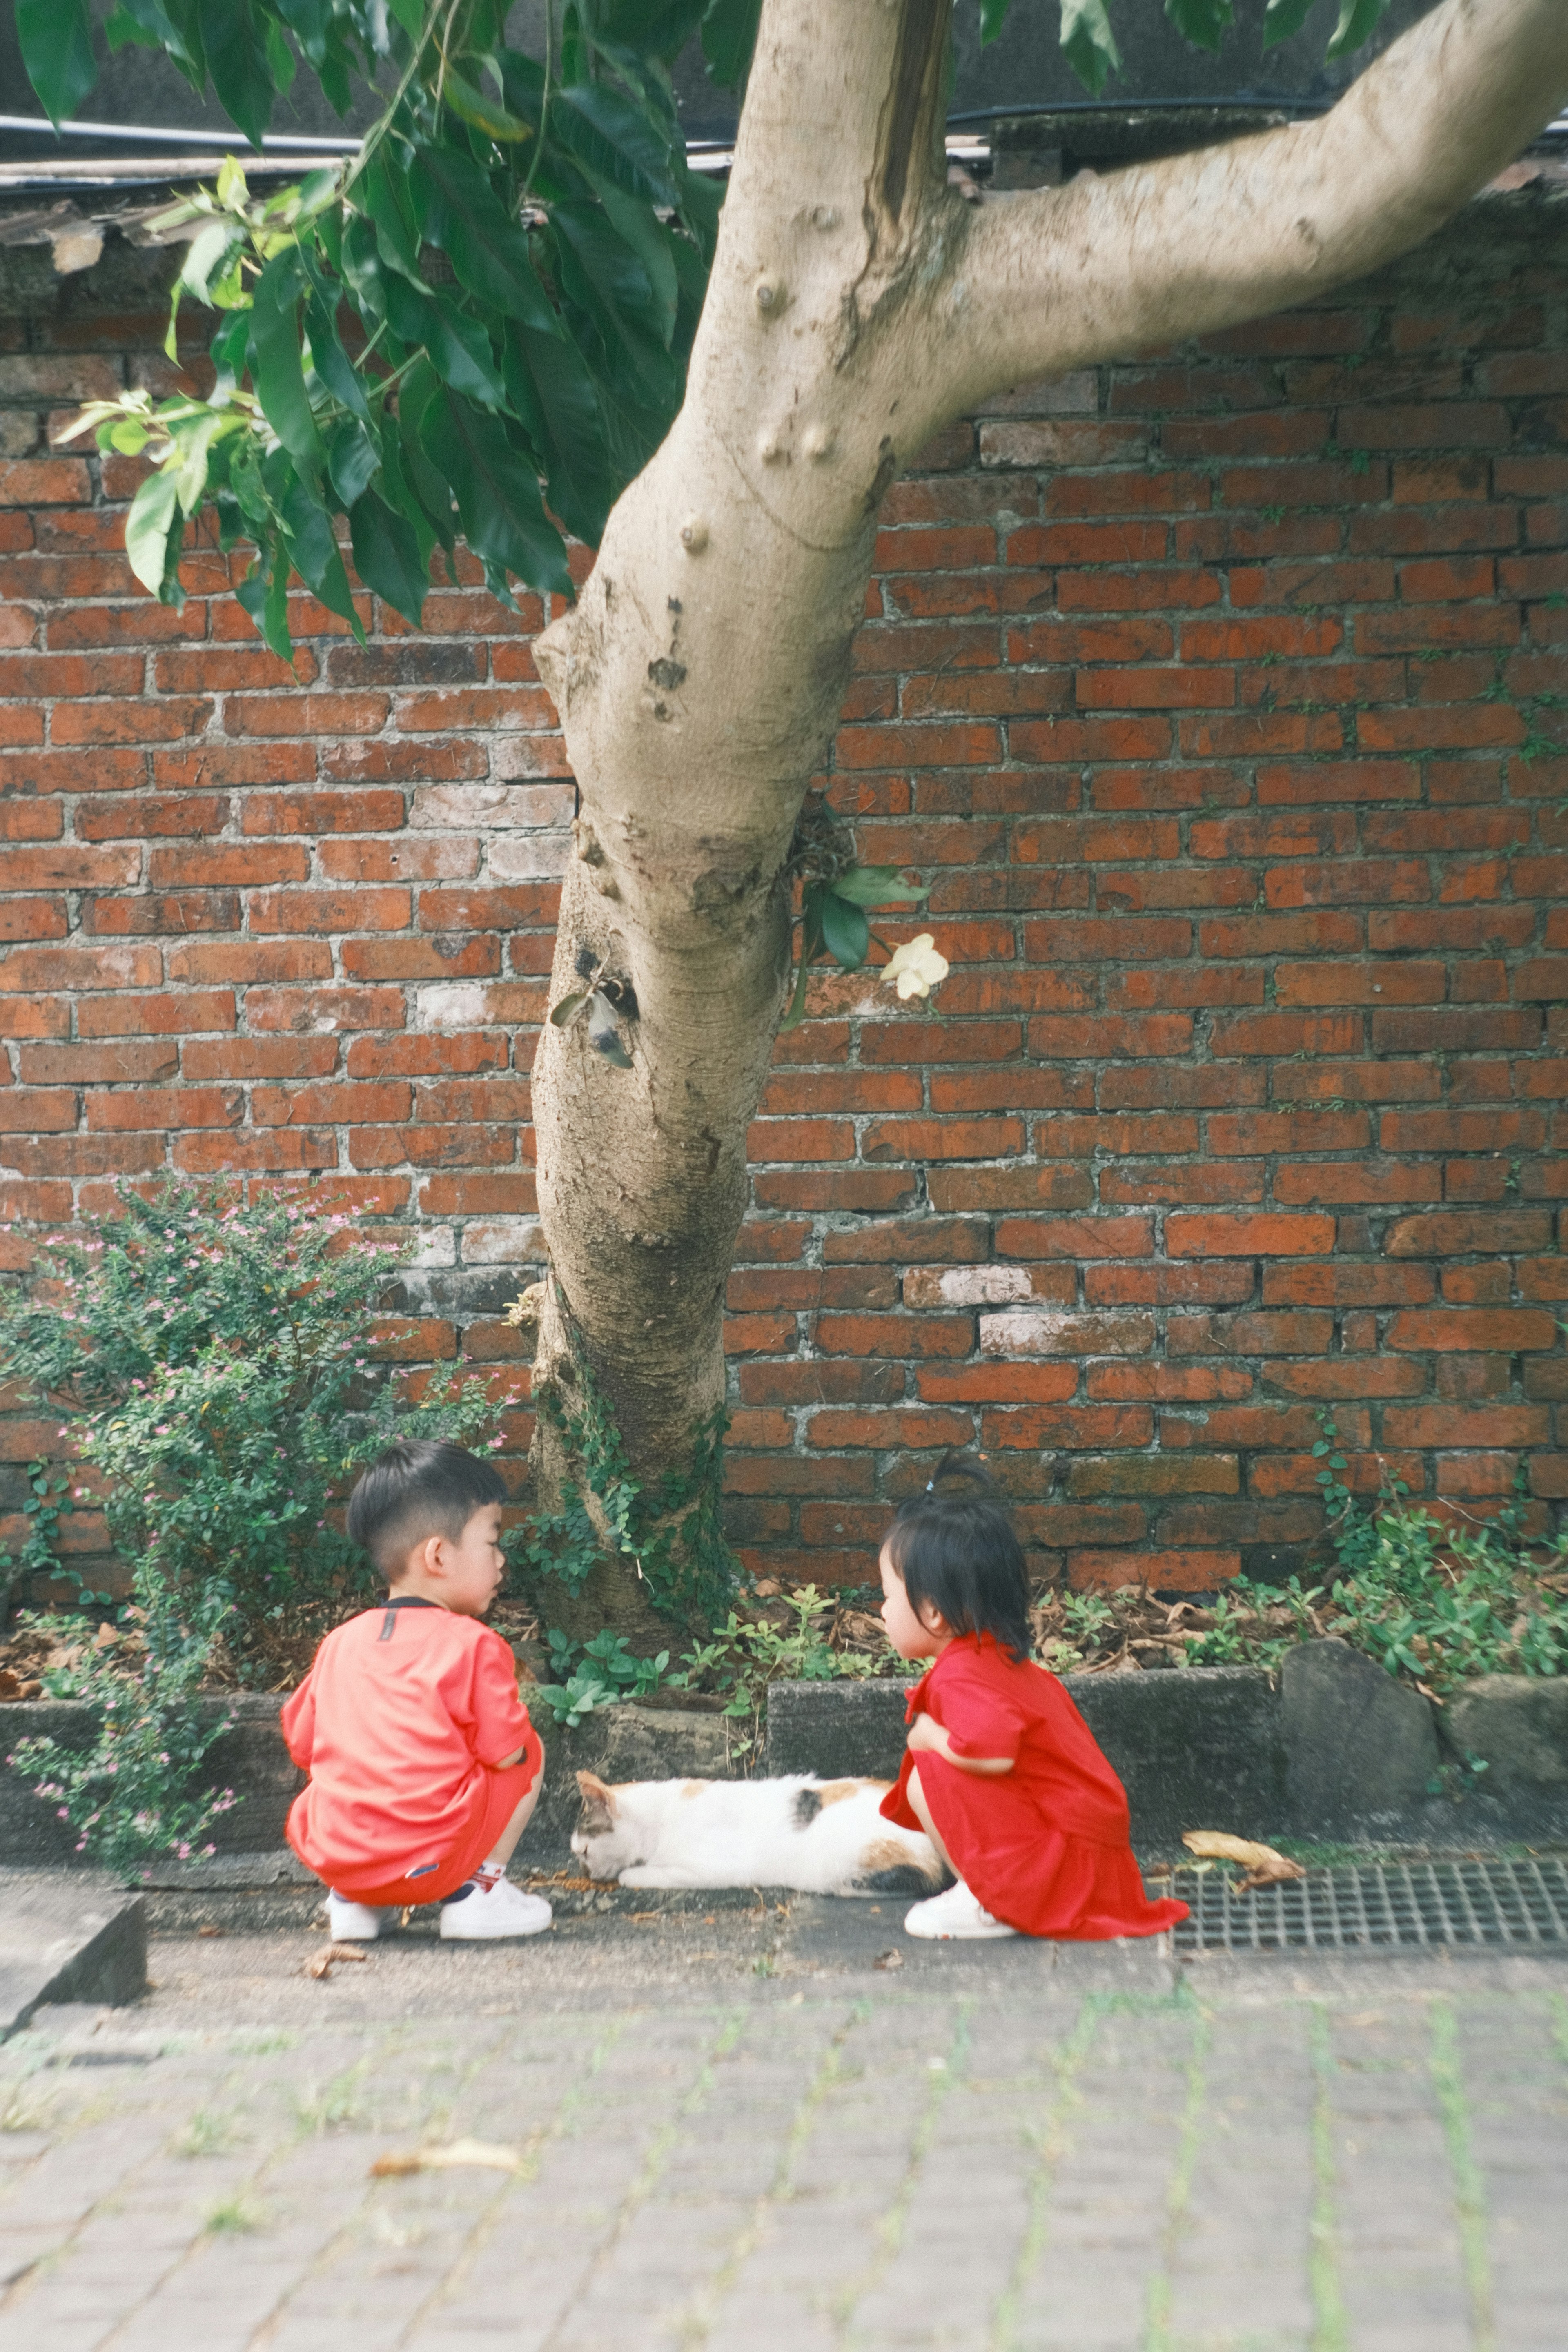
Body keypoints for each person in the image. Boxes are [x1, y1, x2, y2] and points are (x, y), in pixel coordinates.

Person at [876, 1454, 1190, 1944]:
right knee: (929, 1765)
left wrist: (931, 1734)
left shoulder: (965, 1674)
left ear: (933, 1613)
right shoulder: (999, 1663)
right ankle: (988, 1892)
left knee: (928, 1769)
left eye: (888, 1596)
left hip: (1064, 1866)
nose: (882, 1609)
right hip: (1092, 1862)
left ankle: (989, 1901)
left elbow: (993, 1755)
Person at [280, 1439, 551, 1944]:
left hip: (339, 1859)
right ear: (439, 1555)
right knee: (530, 1751)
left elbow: (302, 1743)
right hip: (434, 1865)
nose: (502, 1561)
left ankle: (354, 1904)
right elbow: (508, 1751)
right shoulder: (475, 1645)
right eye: (492, 1543)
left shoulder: (340, 1644)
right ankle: (478, 1897)